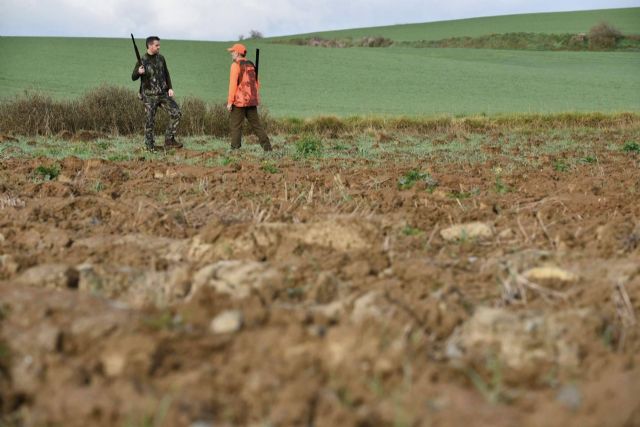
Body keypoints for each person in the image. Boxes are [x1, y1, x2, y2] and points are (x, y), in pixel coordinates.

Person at [131, 36, 183, 152]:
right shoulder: (142, 60)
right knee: (150, 120)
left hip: (163, 94)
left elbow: (166, 73)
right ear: (150, 46)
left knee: (176, 113)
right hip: (149, 96)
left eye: (159, 45)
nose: (159, 47)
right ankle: (149, 146)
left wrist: (170, 88)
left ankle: (169, 140)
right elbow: (133, 77)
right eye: (157, 45)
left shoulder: (161, 58)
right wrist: (139, 72)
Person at [226, 43, 272, 151]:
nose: (231, 54)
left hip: (239, 102)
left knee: (236, 126)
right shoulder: (251, 65)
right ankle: (268, 148)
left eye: (232, 52)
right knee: (257, 126)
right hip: (251, 101)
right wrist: (252, 97)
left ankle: (235, 149)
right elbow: (257, 84)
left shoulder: (235, 65)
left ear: (237, 53)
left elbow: (232, 85)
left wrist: (230, 102)